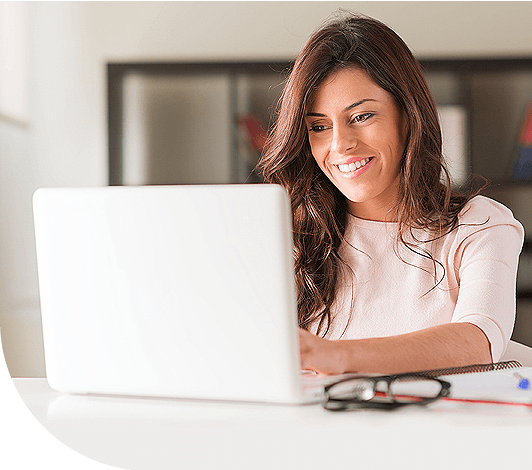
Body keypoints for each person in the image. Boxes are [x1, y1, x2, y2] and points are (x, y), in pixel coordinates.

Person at [257, 11, 524, 375]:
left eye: (362, 116)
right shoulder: (290, 234)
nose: (340, 145)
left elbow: (478, 341)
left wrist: (337, 356)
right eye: (319, 126)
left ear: (407, 113)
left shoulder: (478, 225)